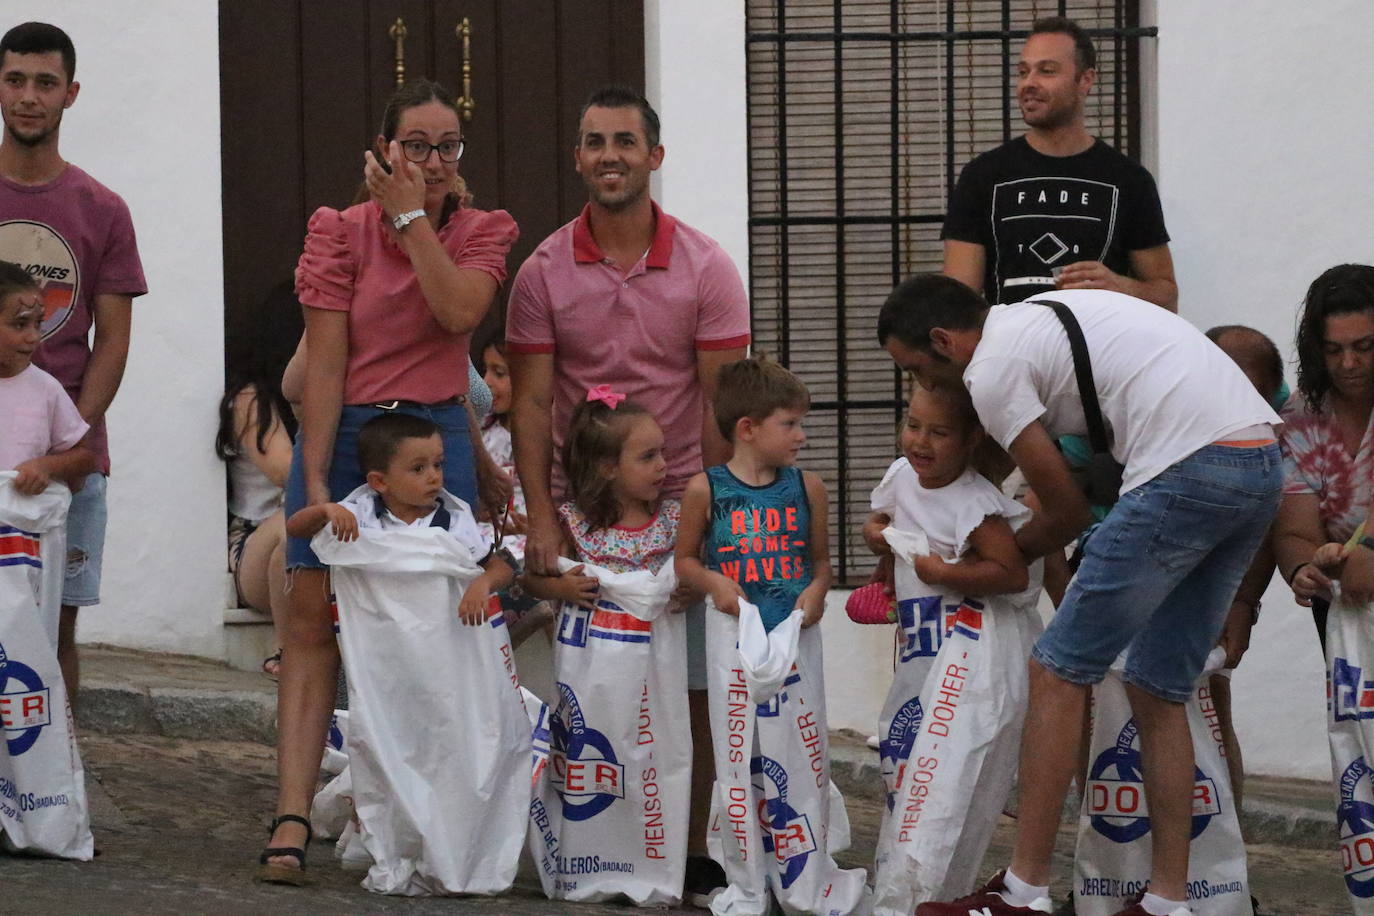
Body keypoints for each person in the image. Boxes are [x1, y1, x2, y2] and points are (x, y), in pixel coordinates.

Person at [879, 274, 1281, 916]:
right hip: (1258, 457)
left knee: (1056, 670)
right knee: (1158, 685)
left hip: (1188, 465)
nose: (924, 389)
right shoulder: (1033, 320)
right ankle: (1167, 903)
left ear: (943, 341)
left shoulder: (991, 367)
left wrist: (999, 561)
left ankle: (1023, 891)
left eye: (919, 370)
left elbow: (1065, 510)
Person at [260, 78, 517, 883]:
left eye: (447, 147)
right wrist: (314, 486)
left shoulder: (482, 230)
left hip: (433, 431)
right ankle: (292, 813)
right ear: (384, 150)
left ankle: (438, 810)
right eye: (416, 146)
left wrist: (413, 221)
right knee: (311, 622)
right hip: (351, 429)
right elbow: (325, 370)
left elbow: (453, 317)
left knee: (439, 626)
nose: (432, 162)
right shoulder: (337, 232)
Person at [506, 85, 750, 898]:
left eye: (624, 140)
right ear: (577, 157)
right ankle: (599, 845)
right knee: (594, 686)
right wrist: (544, 518)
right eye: (593, 141)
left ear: (655, 154)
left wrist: (706, 524)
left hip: (678, 503)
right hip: (583, 512)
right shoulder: (541, 270)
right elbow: (533, 402)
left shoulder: (707, 266)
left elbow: (724, 405)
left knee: (690, 679)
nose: (609, 154)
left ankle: (690, 848)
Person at [0, 21, 146, 704]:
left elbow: (112, 339)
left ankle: (50, 798)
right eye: (15, 80)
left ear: (71, 94)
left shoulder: (103, 210)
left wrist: (70, 436)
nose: (29, 96)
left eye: (45, 83)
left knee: (53, 640)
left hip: (70, 466)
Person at [863, 383, 1040, 910]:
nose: (920, 441)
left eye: (938, 432)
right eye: (913, 424)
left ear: (970, 440)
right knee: (903, 766)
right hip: (916, 660)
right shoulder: (901, 475)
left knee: (948, 783)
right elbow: (881, 519)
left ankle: (936, 892)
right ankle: (902, 888)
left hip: (966, 666)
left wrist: (946, 571)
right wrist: (877, 537)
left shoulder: (974, 504)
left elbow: (1010, 573)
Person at [522, 389, 690, 901]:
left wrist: (684, 589)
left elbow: (689, 576)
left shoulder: (672, 523)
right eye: (648, 456)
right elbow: (530, 580)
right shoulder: (573, 526)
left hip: (654, 679)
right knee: (594, 759)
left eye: (662, 452)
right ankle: (586, 859)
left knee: (653, 763)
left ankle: (648, 862)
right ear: (606, 468)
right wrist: (561, 588)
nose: (663, 465)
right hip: (590, 677)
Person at [941, 16, 1175, 311]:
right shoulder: (983, 176)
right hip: (1014, 351)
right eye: (1023, 72)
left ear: (1086, 80)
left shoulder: (1128, 179)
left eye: (1047, 71)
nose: (1029, 83)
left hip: (1099, 352)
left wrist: (1121, 286)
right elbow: (958, 302)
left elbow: (1167, 299)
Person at [1276, 266, 1374, 641]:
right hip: (1344, 605)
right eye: (1334, 350)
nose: (1348, 364)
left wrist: (1368, 546)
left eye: (1365, 347)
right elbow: (1294, 529)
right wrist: (1305, 568)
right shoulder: (1302, 418)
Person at [215, 280, 302, 679]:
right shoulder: (251, 400)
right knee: (297, 525)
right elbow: (289, 473)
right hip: (255, 545)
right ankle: (288, 651)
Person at [0, 259, 93, 492]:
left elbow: (85, 457)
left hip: (22, 526)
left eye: (38, 324)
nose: (33, 337)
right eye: (20, 324)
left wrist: (47, 466)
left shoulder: (46, 389)